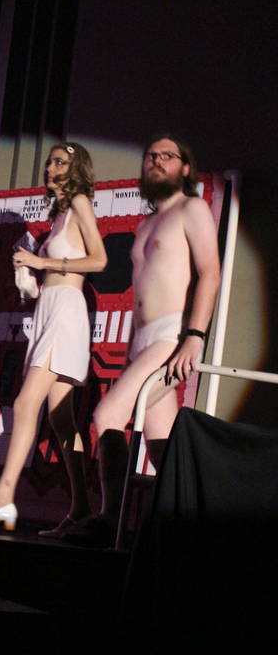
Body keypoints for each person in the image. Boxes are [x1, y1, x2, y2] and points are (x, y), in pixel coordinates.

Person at [67, 133, 221, 548]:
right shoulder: (148, 222)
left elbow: (210, 272)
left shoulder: (192, 208)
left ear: (184, 167)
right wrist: (132, 353)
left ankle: (109, 520)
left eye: (167, 155)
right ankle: (188, 528)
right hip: (143, 342)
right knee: (160, 448)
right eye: (151, 155)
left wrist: (194, 337)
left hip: (171, 337)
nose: (156, 161)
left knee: (107, 416)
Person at [0, 142, 108, 533]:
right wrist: (29, 276)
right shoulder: (58, 214)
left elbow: (99, 260)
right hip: (49, 308)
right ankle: (81, 509)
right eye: (49, 161)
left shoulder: (79, 203)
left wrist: (41, 261)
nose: (50, 167)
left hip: (66, 311)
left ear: (76, 168)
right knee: (62, 421)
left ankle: (3, 498)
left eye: (60, 161)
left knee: (26, 403)